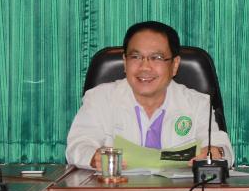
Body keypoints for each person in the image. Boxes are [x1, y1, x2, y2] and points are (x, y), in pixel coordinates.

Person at [66, 21, 234, 169]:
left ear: (175, 65)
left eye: (157, 57)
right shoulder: (100, 98)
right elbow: (78, 146)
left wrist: (216, 152)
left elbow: (222, 148)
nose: (145, 67)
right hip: (116, 190)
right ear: (125, 62)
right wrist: (92, 157)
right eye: (136, 57)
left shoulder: (197, 103)